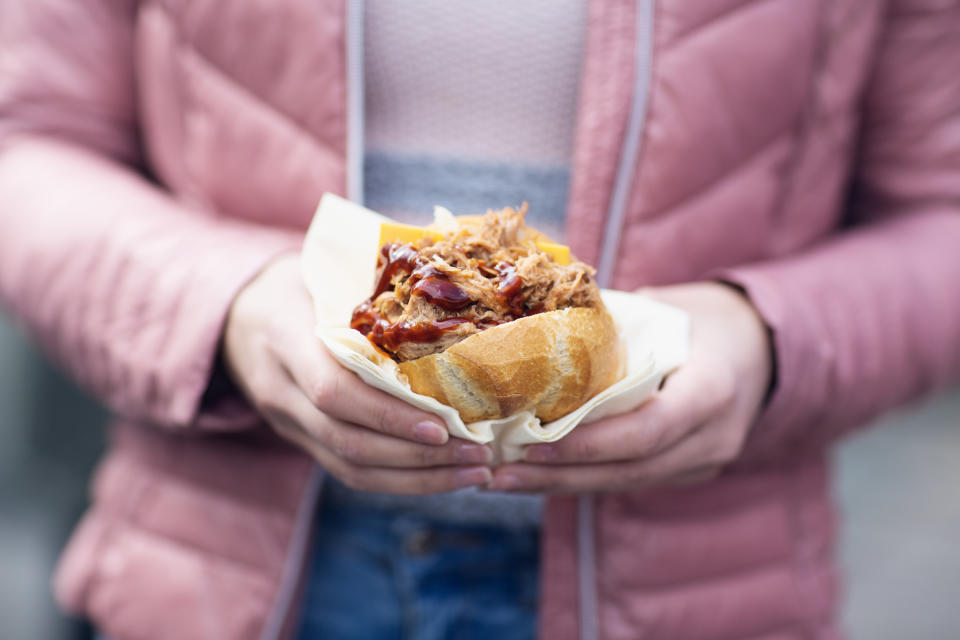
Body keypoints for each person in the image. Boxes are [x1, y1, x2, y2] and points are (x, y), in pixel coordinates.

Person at [1, 1, 958, 639]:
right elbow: (29, 144)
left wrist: (766, 335)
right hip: (221, 573)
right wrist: (232, 305)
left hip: (693, 588)